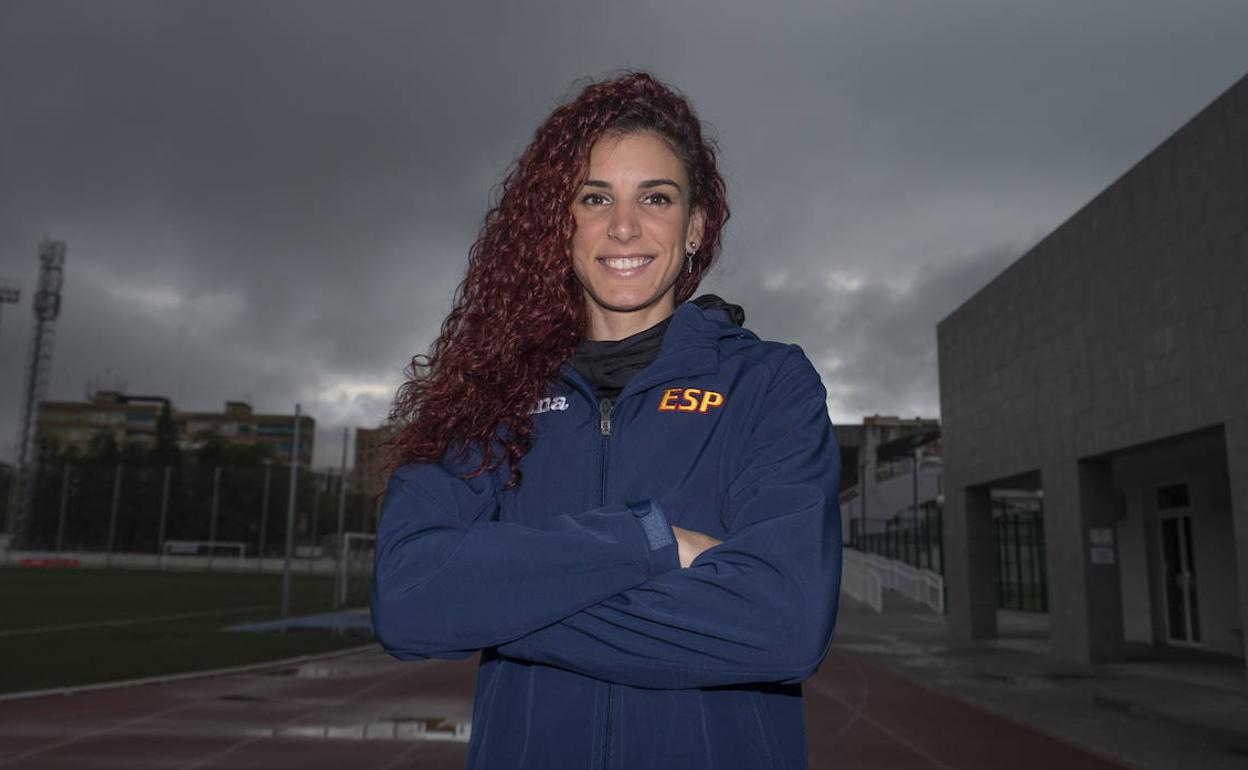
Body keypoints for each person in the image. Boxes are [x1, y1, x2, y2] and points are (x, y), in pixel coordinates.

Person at [371, 71, 842, 770]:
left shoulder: (769, 384)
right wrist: (646, 540)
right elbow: (407, 595)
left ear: (696, 228)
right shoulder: (491, 393)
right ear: (560, 227)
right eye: (595, 198)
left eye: (656, 197)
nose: (624, 227)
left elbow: (785, 623)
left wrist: (498, 599)